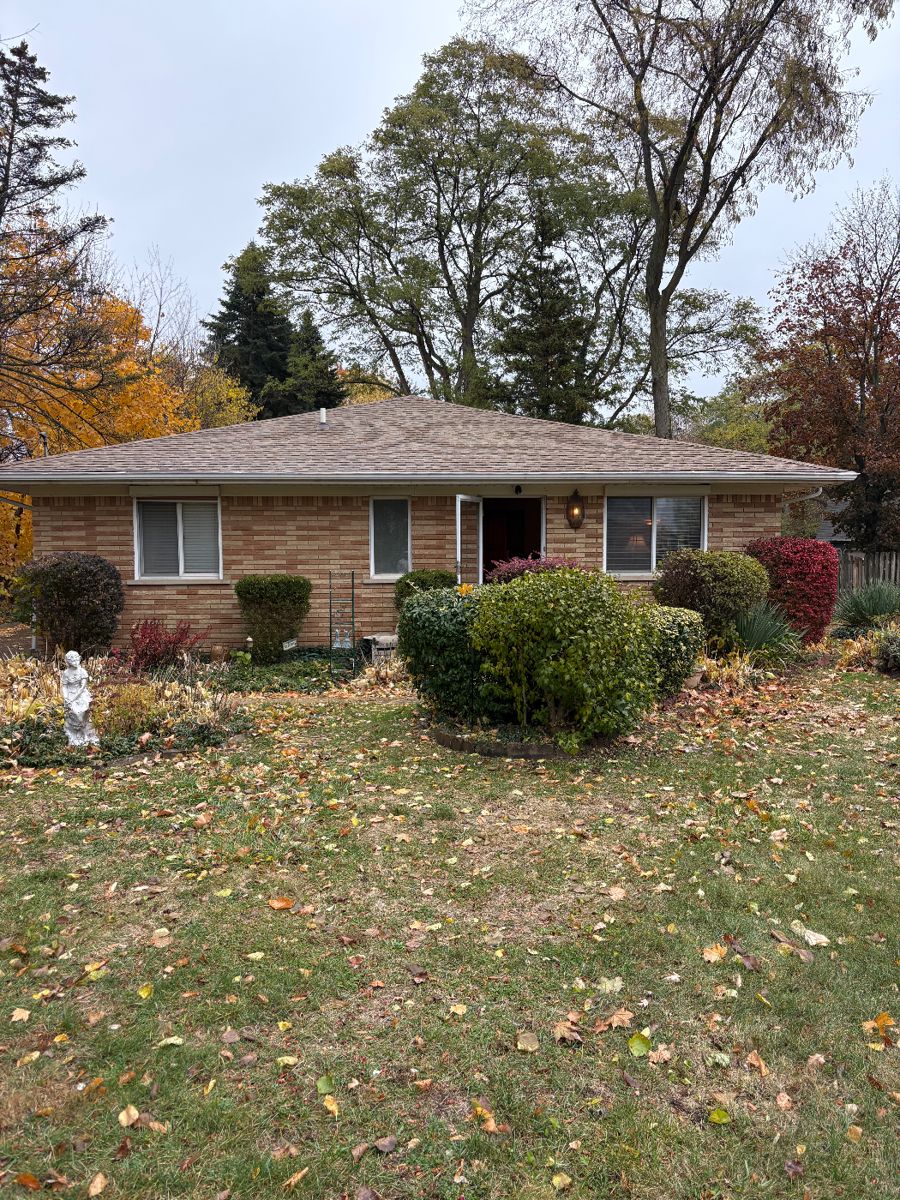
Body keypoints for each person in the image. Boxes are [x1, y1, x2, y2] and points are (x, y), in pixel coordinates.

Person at [60, 650, 99, 747]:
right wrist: (66, 697)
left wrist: (73, 698)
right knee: (72, 711)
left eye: (77, 659)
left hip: (81, 694)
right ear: (68, 662)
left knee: (83, 710)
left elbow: (82, 687)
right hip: (70, 694)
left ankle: (85, 733)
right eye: (72, 660)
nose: (75, 662)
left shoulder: (82, 672)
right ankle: (74, 733)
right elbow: (64, 686)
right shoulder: (66, 673)